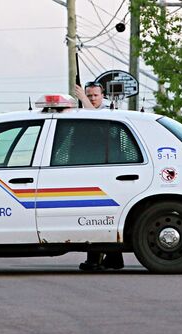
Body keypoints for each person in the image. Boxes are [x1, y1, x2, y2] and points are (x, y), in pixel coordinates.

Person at [75, 81, 123, 271]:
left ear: (102, 95)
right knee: (96, 217)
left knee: (100, 216)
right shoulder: (85, 109)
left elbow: (96, 121)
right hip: (94, 170)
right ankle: (108, 260)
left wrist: (83, 100)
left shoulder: (108, 111)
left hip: (107, 173)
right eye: (89, 95)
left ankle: (98, 260)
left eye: (95, 95)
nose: (93, 98)